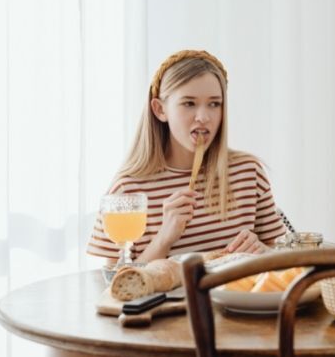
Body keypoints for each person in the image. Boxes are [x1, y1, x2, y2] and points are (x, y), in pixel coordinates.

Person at [88, 50, 286, 263]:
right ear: (160, 110)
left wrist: (263, 251)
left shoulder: (248, 173)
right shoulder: (126, 192)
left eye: (214, 104)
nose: (203, 117)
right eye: (189, 103)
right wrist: (164, 238)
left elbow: (280, 258)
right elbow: (116, 287)